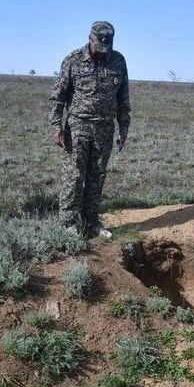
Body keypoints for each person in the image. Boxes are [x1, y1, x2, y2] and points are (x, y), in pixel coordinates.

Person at [49, 21, 130, 238]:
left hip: (105, 128)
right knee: (74, 175)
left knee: (97, 176)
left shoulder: (118, 61)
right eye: (99, 47)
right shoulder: (73, 60)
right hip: (77, 126)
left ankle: (91, 222)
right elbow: (58, 97)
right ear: (90, 39)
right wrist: (57, 125)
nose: (103, 53)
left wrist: (124, 125)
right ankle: (68, 224)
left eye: (107, 48)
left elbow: (123, 96)